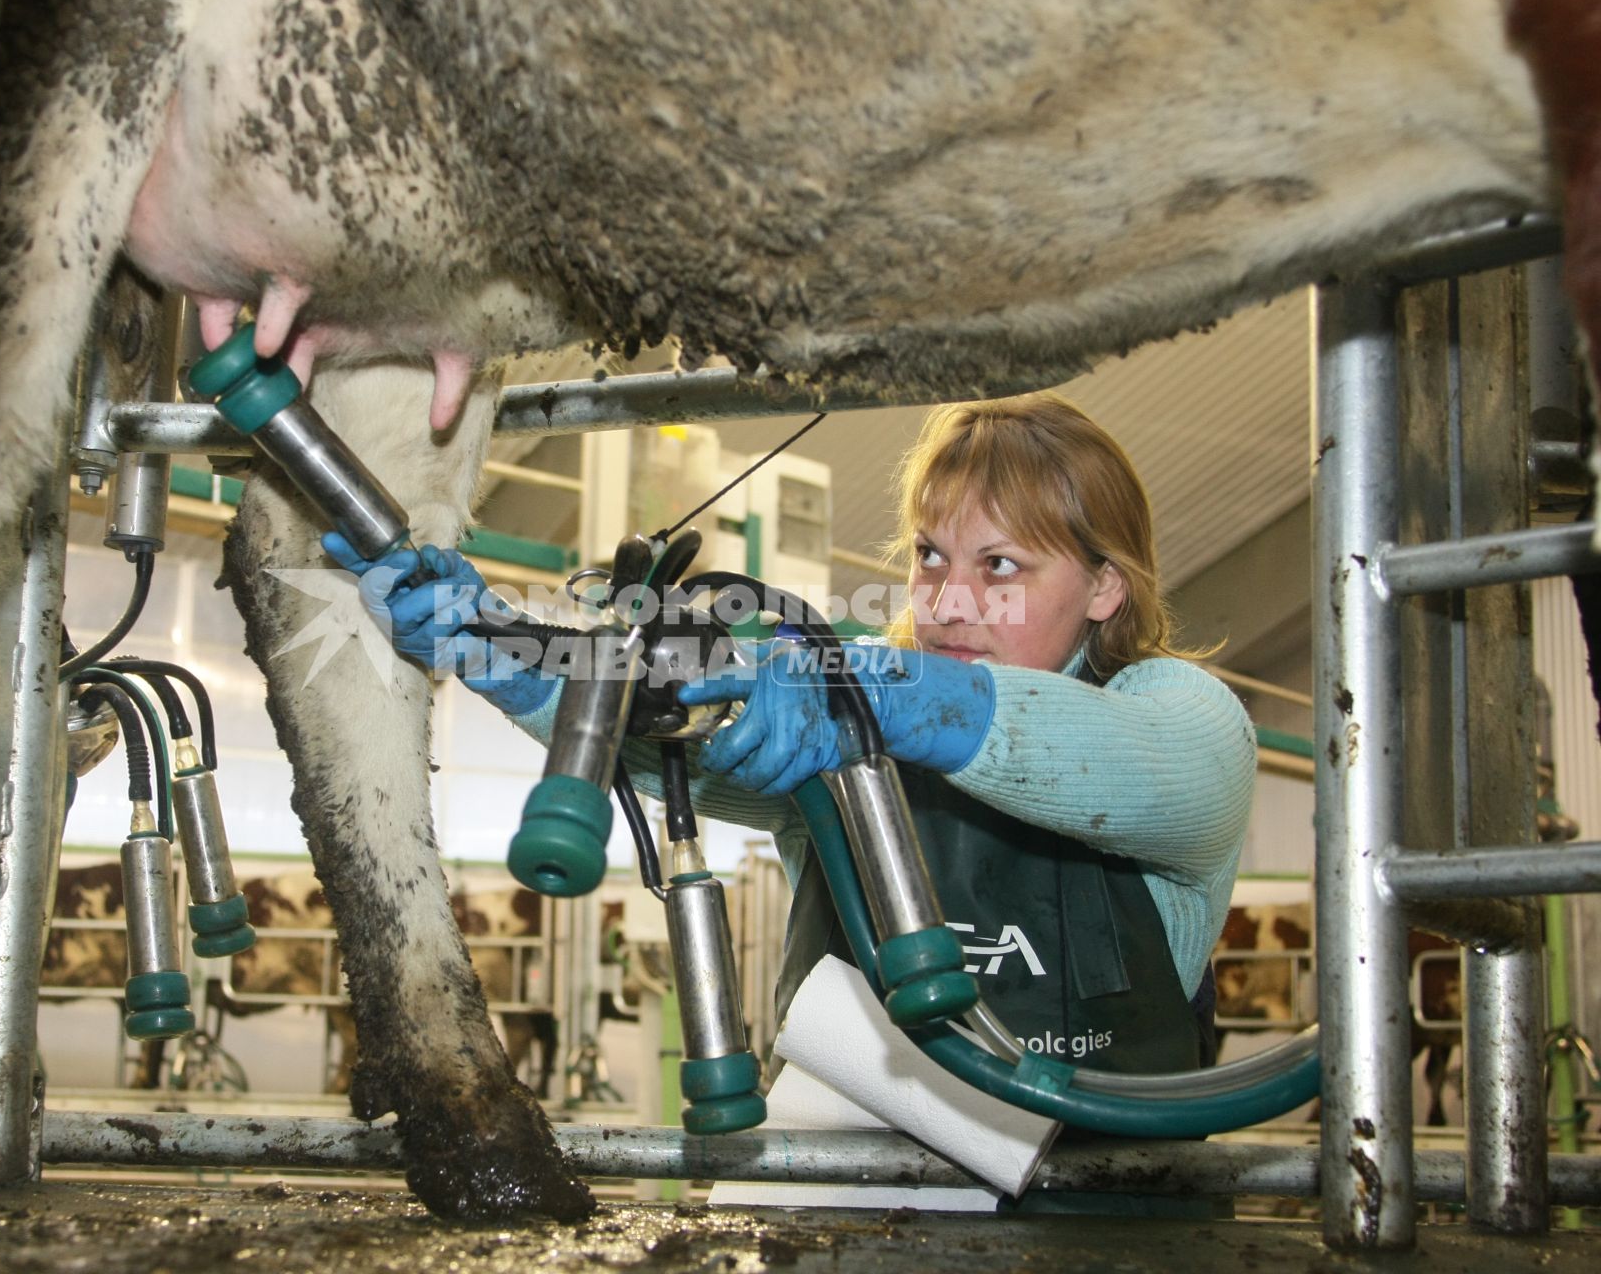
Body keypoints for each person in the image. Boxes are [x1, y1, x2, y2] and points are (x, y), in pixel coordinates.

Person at [325, 390, 1255, 1148]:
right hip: (847, 1218)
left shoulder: (1177, 714)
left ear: (1105, 587)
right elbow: (662, 734)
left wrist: (874, 695)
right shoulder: (829, 722)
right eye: (930, 555)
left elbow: (1120, 762)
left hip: (1110, 1232)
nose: (948, 599)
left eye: (1001, 564)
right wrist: (499, 643)